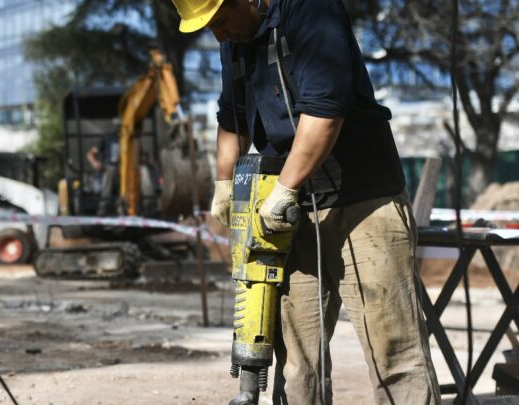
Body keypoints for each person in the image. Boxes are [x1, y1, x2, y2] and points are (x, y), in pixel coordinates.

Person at [171, 0, 441, 403]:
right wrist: (224, 184)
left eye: (221, 21)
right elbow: (231, 117)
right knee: (296, 362)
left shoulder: (308, 9)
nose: (219, 36)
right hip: (296, 208)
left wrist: (283, 190)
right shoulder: (237, 39)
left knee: (394, 352)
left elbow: (325, 109)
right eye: (210, 27)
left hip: (363, 201)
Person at [86, 132, 120, 215]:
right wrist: (94, 163)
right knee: (111, 170)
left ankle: (148, 204)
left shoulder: (133, 139)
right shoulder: (109, 138)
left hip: (127, 169)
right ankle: (104, 207)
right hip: (110, 167)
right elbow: (90, 154)